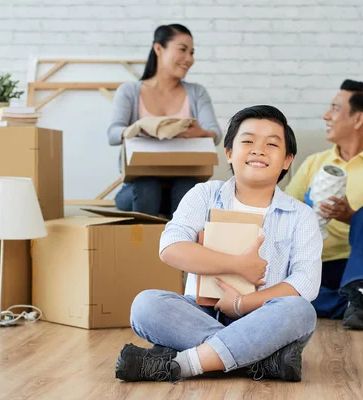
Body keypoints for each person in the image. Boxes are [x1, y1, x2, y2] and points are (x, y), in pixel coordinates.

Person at [114, 105, 322, 383]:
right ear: (229, 153)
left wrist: (240, 303)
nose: (258, 150)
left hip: (264, 318)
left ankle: (182, 364)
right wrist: (239, 265)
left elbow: (305, 284)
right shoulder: (204, 194)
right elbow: (171, 247)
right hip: (198, 312)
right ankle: (262, 360)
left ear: (287, 160)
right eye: (247, 141)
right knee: (145, 305)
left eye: (271, 144)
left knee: (300, 311)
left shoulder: (302, 215)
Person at [285, 79, 363, 330]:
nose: (326, 115)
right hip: (322, 266)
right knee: (283, 296)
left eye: (334, 108)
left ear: (358, 119)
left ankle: (362, 287)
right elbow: (284, 209)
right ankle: (361, 302)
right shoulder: (314, 162)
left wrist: (349, 216)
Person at [107, 24, 222, 218]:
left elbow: (215, 133)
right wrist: (137, 129)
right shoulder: (129, 91)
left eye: (192, 52)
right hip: (138, 185)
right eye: (183, 50)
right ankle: (143, 247)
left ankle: (179, 245)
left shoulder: (196, 92)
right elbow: (112, 134)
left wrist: (201, 133)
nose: (189, 59)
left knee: (189, 189)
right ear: (159, 49)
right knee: (147, 186)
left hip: (184, 180)